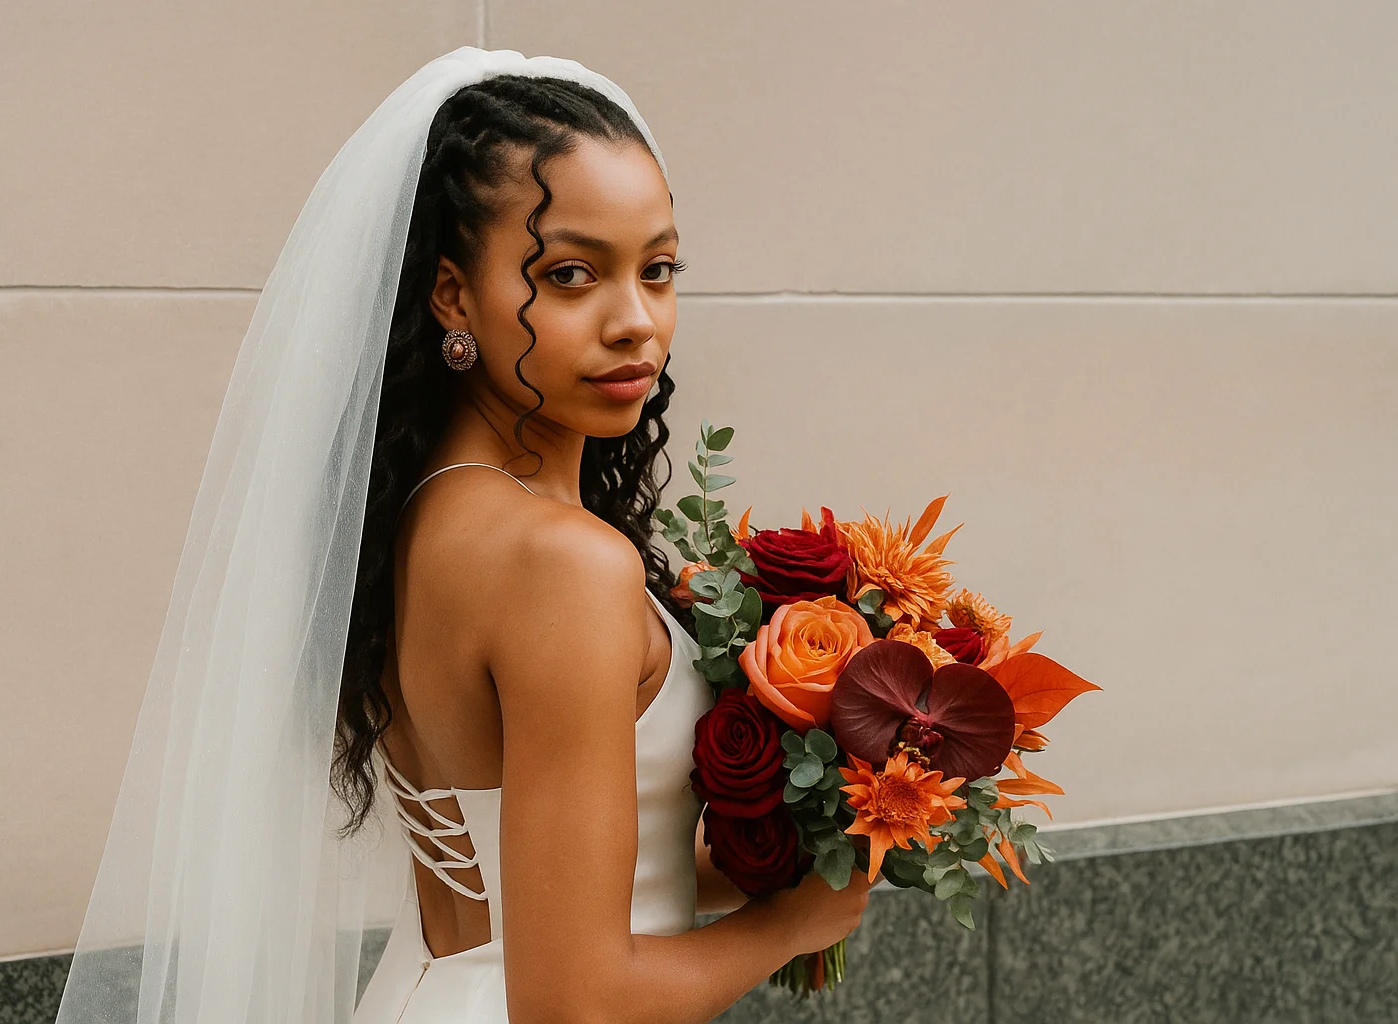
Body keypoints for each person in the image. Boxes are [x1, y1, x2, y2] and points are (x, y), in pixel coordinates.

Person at [54, 47, 870, 1024]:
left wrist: (786, 834)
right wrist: (793, 924)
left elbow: (531, 877)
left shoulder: (431, 514)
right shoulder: (560, 562)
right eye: (571, 275)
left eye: (656, 270)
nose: (635, 321)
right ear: (451, 295)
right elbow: (574, 1002)